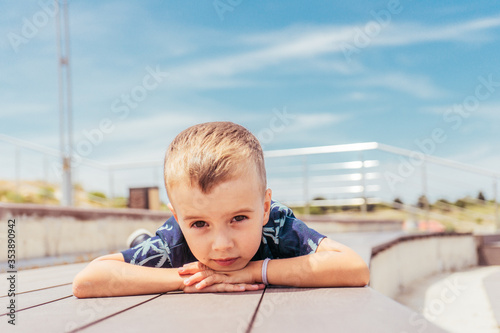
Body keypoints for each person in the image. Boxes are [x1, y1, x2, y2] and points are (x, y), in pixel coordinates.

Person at [72, 122, 369, 298]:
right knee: (146, 248)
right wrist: (193, 278)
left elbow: (354, 269)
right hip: (177, 255)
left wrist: (254, 272)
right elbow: (87, 280)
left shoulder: (278, 225)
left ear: (264, 208)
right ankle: (140, 240)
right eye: (200, 224)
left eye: (238, 218)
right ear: (178, 219)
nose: (222, 244)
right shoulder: (176, 240)